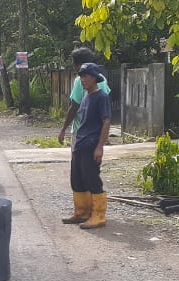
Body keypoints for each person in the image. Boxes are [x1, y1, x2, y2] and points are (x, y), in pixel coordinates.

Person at [58, 48, 111, 226]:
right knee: (77, 177)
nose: (82, 80)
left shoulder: (100, 96)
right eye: (81, 77)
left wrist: (100, 146)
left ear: (94, 77)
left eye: (86, 77)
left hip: (91, 142)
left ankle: (98, 215)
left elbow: (106, 121)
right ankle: (81, 212)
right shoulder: (87, 95)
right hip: (81, 141)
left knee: (91, 177)